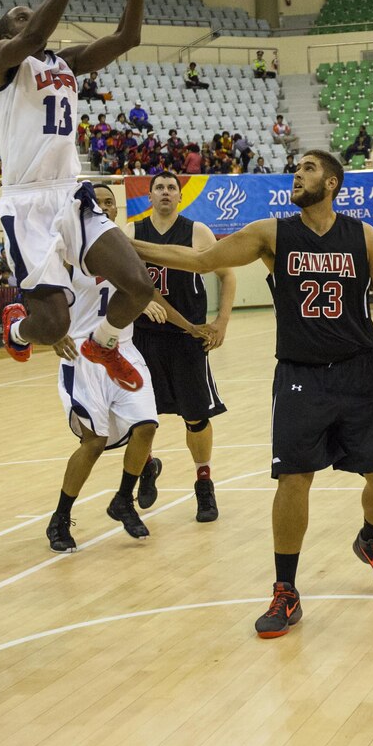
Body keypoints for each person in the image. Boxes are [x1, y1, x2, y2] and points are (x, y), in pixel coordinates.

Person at [131, 150, 373, 638]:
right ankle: (286, 590)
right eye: (295, 169)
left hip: (362, 373)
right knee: (294, 480)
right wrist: (129, 248)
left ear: (333, 183)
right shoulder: (272, 233)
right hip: (301, 375)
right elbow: (200, 259)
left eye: (309, 169)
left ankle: (371, 540)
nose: (297, 175)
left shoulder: (364, 237)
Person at [0, 0, 155, 390]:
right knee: (52, 326)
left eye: (26, 12)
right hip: (28, 202)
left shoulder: (67, 62)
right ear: (3, 34)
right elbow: (32, 39)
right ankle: (17, 329)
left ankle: (105, 341)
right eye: (17, 15)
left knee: (139, 285)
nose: (26, 15)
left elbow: (127, 39)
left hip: (71, 195)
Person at [47, 184, 197, 549]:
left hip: (122, 348)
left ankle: (122, 500)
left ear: (116, 210)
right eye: (96, 201)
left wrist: (190, 327)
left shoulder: (124, 248)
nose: (103, 205)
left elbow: (149, 291)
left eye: (109, 201)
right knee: (94, 442)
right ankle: (60, 518)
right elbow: (44, 290)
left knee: (148, 424)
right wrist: (52, 333)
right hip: (82, 353)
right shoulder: (66, 246)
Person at [126, 171, 236, 522]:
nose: (165, 192)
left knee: (196, 415)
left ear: (179, 196)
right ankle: (146, 467)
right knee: (140, 418)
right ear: (150, 196)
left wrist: (221, 322)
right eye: (159, 187)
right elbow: (117, 278)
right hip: (143, 338)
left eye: (172, 188)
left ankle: (204, 483)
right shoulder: (132, 233)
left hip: (188, 336)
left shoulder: (197, 232)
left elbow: (228, 275)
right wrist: (140, 301)